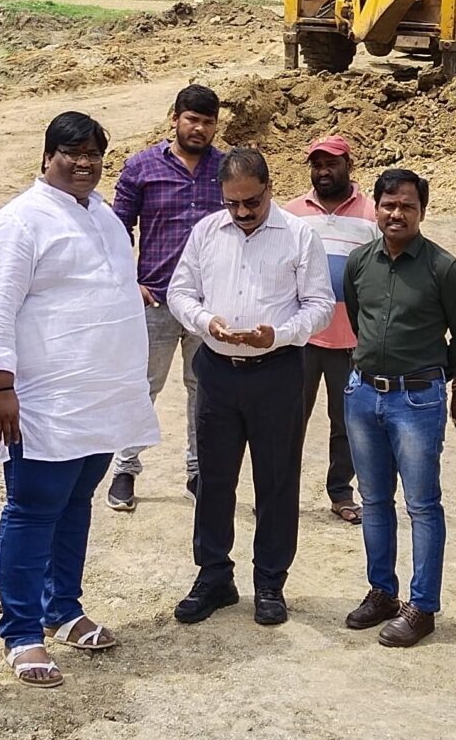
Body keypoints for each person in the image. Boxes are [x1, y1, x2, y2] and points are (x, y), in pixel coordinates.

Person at [0, 112, 160, 690]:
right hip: (43, 400)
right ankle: (21, 632)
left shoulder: (103, 216)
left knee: (77, 502)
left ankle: (62, 608)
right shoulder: (18, 222)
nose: (84, 163)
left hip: (99, 398)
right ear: (47, 156)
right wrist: (0, 387)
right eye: (72, 152)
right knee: (33, 509)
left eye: (94, 154)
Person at [166, 148, 334, 628]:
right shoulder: (206, 232)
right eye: (232, 203)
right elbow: (180, 292)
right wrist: (206, 322)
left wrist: (277, 334)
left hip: (277, 373)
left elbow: (320, 305)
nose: (241, 212)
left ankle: (270, 582)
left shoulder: (299, 235)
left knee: (276, 480)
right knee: (213, 478)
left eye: (251, 203)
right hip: (217, 372)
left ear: (269, 188)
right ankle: (214, 576)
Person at [340, 168, 456, 648]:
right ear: (376, 208)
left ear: (422, 211)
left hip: (417, 400)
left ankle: (422, 607)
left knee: (422, 504)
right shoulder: (360, 262)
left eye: (407, 206)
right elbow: (358, 317)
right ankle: (382, 592)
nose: (396, 214)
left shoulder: (444, 269)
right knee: (374, 499)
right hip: (362, 395)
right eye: (388, 205)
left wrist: (431, 376)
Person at [107, 85, 225, 511]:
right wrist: (128, 281)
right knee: (143, 386)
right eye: (192, 119)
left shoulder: (226, 169)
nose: (199, 128)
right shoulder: (142, 166)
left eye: (208, 122)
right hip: (154, 299)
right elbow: (116, 229)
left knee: (203, 389)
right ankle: (124, 468)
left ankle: (197, 472)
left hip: (207, 305)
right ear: (174, 118)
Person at [282, 136, 378, 525]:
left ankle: (341, 492)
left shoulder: (372, 213)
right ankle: (280, 493)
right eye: (317, 164)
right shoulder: (291, 214)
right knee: (289, 420)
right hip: (302, 338)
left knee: (348, 424)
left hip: (351, 341)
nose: (323, 171)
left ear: (348, 166)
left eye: (332, 163)